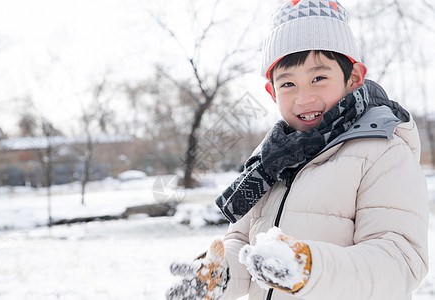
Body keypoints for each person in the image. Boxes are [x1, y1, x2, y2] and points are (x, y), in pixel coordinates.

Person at [166, 0, 429, 299]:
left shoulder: (383, 152)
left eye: (319, 78)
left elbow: (401, 261)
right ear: (271, 91)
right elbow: (244, 247)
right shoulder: (267, 162)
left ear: (354, 77)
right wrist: (220, 275)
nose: (304, 98)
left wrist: (309, 267)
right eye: (288, 83)